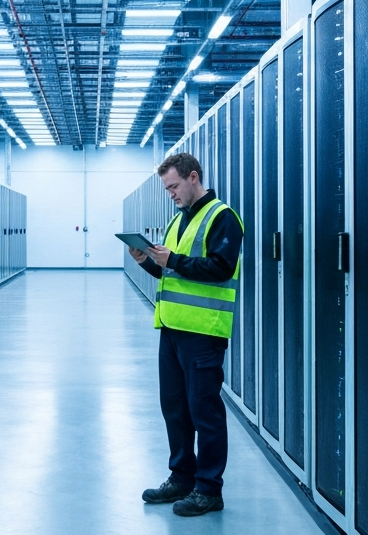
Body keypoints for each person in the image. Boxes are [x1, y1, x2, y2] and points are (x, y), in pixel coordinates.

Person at [126, 152, 243, 517]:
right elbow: (172, 276)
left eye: (174, 186)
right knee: (174, 408)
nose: (171, 194)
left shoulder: (222, 217)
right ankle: (181, 477)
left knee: (203, 410)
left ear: (194, 177)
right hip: (173, 329)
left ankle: (209, 489)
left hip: (203, 332)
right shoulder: (177, 221)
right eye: (167, 189)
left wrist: (171, 260)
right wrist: (148, 261)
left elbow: (220, 268)